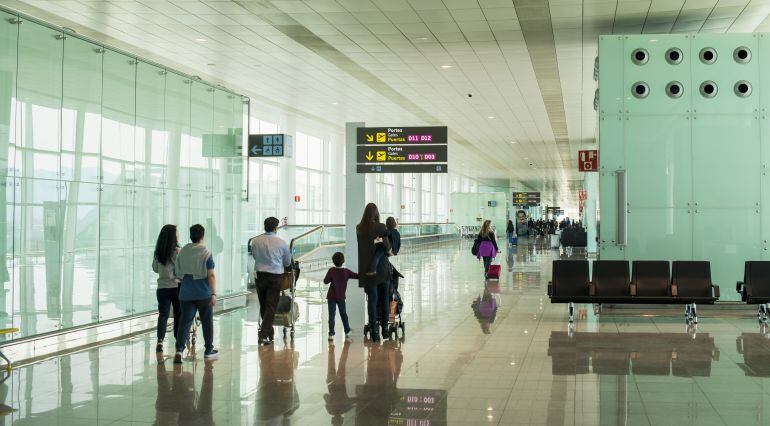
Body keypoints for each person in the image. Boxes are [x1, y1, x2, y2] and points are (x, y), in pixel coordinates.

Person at [174, 224, 218, 363]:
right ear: (202, 237)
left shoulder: (183, 251)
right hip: (203, 294)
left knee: (185, 322)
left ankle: (179, 351)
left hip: (185, 293)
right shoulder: (206, 253)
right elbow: (211, 275)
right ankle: (208, 350)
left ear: (190, 236)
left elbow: (177, 273)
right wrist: (214, 293)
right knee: (206, 322)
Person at [251, 217, 292, 346]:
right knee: (270, 306)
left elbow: (254, 256)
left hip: (260, 276)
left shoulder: (255, 241)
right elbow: (287, 262)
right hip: (275, 277)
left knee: (264, 305)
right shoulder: (281, 243)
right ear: (275, 228)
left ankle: (269, 332)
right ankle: (263, 334)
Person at [356, 203, 392, 342]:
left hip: (367, 271)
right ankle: (385, 330)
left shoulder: (359, 228)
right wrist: (385, 245)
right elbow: (388, 247)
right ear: (376, 213)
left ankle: (374, 332)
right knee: (384, 300)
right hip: (382, 269)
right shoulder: (381, 227)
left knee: (372, 301)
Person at [152, 224, 181, 354]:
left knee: (163, 315)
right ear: (173, 236)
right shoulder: (177, 251)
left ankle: (160, 341)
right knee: (178, 314)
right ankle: (177, 339)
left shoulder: (158, 252)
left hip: (162, 288)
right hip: (176, 287)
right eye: (177, 232)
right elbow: (182, 269)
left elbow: (155, 268)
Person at [323, 252, 358, 341]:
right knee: (343, 314)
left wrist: (331, 278)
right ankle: (347, 331)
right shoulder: (346, 272)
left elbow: (325, 281)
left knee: (331, 315)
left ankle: (331, 334)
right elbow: (357, 276)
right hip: (341, 297)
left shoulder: (331, 270)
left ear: (333, 261)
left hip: (331, 297)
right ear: (343, 261)